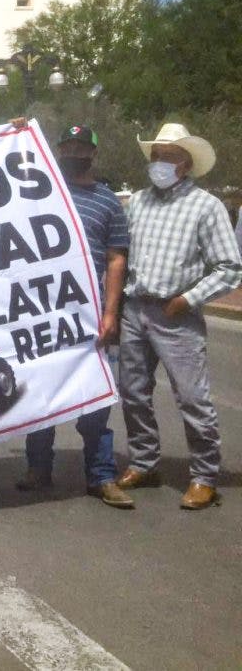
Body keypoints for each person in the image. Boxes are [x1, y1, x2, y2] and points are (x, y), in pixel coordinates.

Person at [115, 122, 242, 510]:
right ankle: (144, 461)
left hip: (177, 314)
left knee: (191, 397)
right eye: (156, 156)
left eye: (169, 157)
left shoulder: (206, 206)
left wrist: (187, 299)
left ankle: (204, 476)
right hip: (136, 309)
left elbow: (229, 267)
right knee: (134, 393)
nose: (160, 163)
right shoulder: (137, 201)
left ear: (185, 164)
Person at [14, 125, 133, 508]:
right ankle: (38, 468)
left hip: (89, 315)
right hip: (43, 314)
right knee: (41, 395)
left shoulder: (108, 202)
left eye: (82, 146)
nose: (74, 151)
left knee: (95, 399)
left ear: (93, 153)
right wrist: (15, 135)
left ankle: (101, 475)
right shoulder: (41, 192)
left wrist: (110, 313)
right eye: (68, 145)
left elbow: (116, 259)